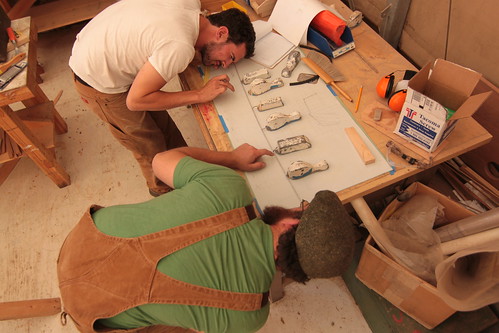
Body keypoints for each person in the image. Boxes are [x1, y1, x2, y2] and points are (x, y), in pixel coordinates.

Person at [57, 143, 356, 333]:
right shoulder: (250, 315)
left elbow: (160, 160)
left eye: (301, 207)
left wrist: (231, 159)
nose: (295, 206)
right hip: (91, 315)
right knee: (194, 316)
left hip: (79, 243)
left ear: (291, 223)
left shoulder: (231, 188)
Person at [69, 0, 256, 196]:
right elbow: (135, 101)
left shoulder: (189, 5)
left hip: (98, 42)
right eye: (231, 57)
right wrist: (199, 94)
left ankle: (185, 174)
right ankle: (163, 190)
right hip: (96, 79)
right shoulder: (179, 46)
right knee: (150, 145)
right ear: (221, 33)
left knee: (170, 136)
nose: (226, 65)